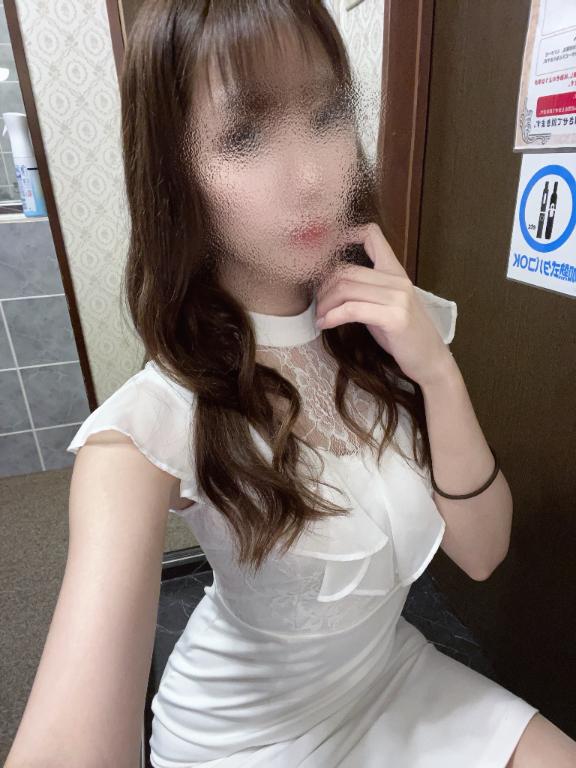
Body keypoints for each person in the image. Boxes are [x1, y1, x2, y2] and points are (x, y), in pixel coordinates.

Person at [7, 2, 576, 767]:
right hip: (248, 740)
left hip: (392, 677)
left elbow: (482, 553)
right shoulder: (149, 427)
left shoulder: (383, 329)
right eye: (243, 135)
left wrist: (435, 370)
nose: (311, 176)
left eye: (327, 113)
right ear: (176, 174)